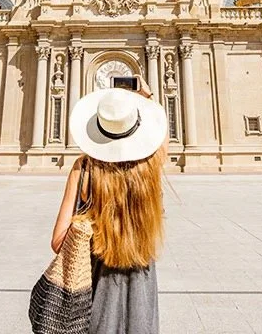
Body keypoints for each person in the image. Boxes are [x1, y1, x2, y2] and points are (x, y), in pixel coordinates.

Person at [51, 78, 168, 333]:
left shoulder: (82, 170)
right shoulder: (150, 169)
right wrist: (148, 99)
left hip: (95, 285)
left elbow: (58, 242)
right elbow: (161, 138)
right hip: (142, 285)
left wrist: (93, 221)